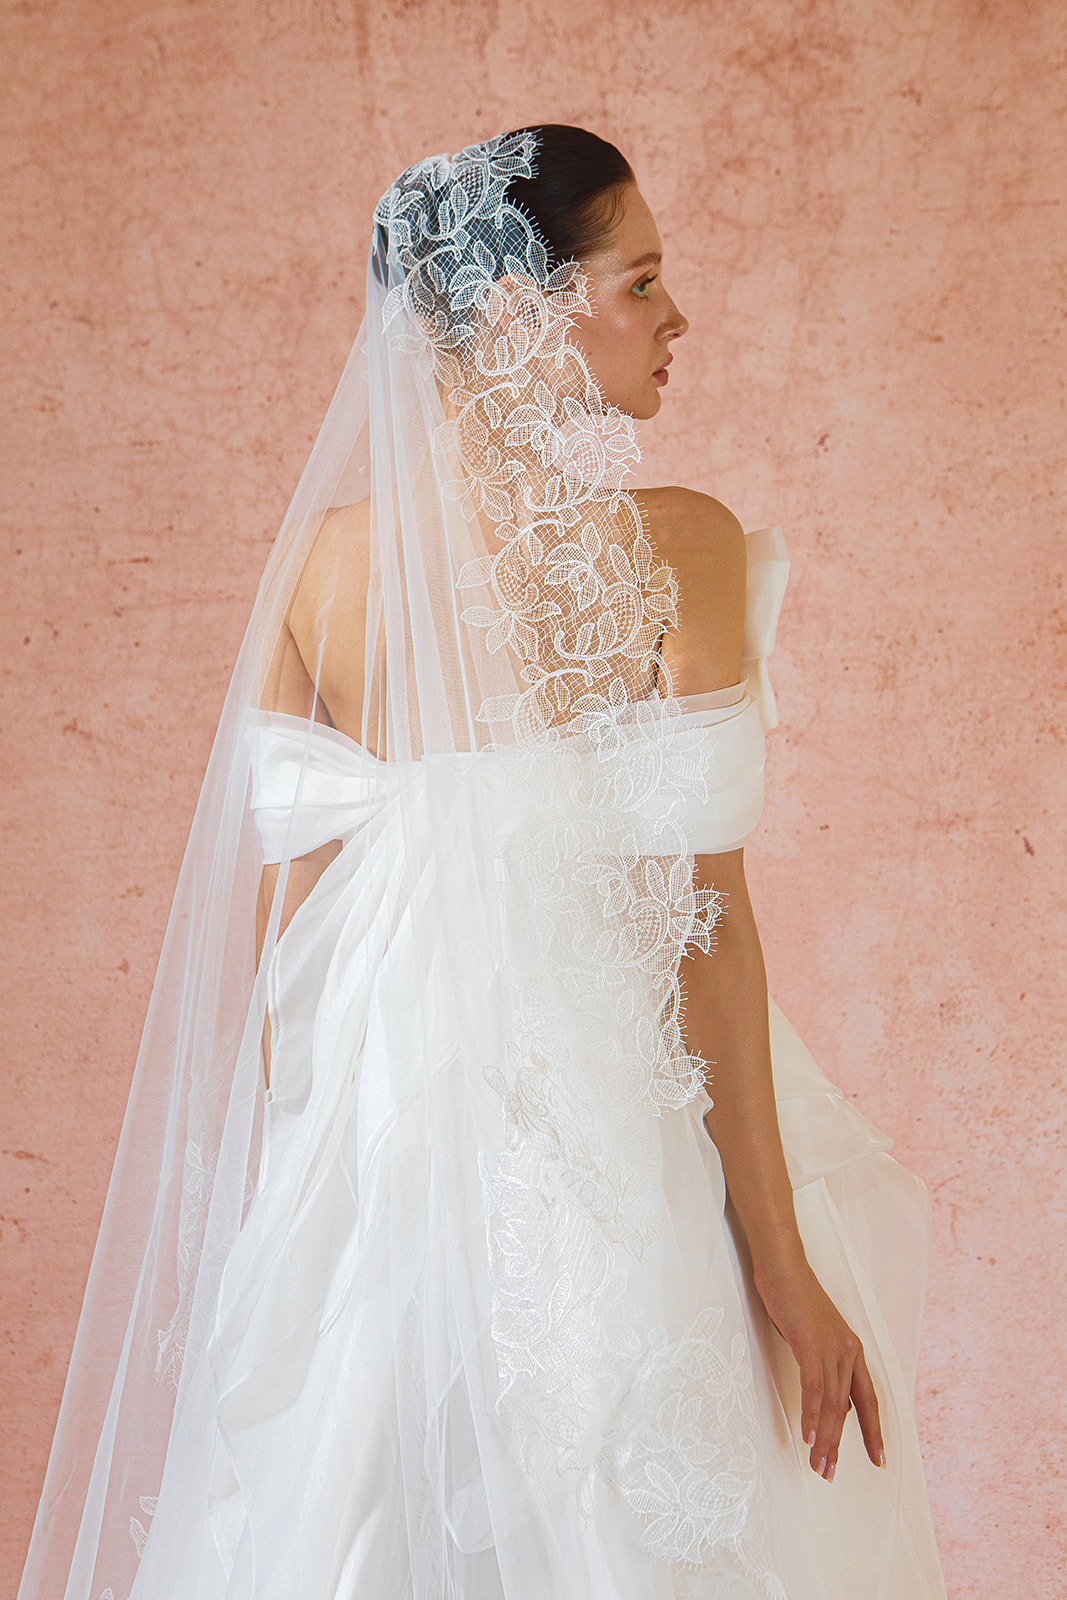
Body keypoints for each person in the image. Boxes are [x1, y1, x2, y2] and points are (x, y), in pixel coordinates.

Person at [19, 126, 947, 1600]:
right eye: (640, 281)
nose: (678, 317)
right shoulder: (679, 550)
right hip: (625, 1160)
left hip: (384, 1181)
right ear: (523, 308)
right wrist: (778, 1261)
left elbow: (289, 970)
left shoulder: (314, 578)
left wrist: (306, 1243)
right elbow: (705, 924)